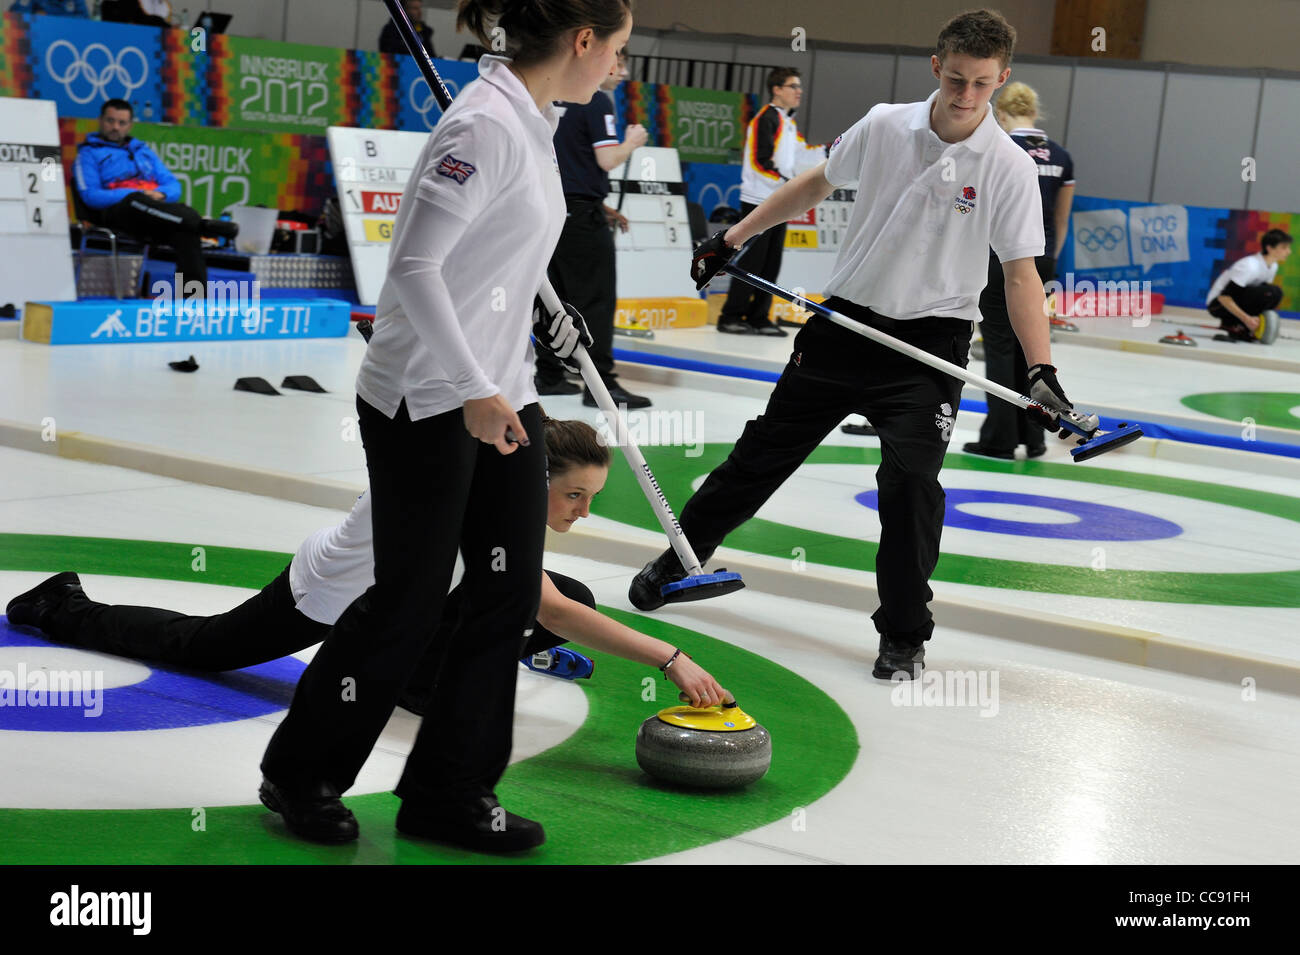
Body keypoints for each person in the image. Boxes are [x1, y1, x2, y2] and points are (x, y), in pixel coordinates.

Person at [254, 0, 634, 851]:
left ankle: (450, 790)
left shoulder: (538, 122)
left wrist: (537, 334)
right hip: (423, 398)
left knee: (503, 598)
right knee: (410, 599)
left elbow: (490, 262)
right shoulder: (484, 126)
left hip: (503, 392)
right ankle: (302, 770)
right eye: (615, 49)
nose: (618, 66)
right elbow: (416, 266)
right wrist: (470, 383)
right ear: (581, 43)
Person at [630, 10, 1076, 682]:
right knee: (761, 454)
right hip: (843, 327)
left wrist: (1041, 368)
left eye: (982, 84)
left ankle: (903, 634)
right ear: (936, 65)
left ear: (1002, 79)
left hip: (929, 348)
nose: (965, 95)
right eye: (956, 78)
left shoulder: (1009, 167)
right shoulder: (884, 124)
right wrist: (733, 237)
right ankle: (679, 560)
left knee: (911, 488)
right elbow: (814, 182)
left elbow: (1020, 273)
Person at [5, 417, 728, 723]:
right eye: (574, 495)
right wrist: (672, 657)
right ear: (536, 478)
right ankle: (59, 605)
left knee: (559, 588)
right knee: (202, 648)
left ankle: (472, 651)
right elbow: (558, 611)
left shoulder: (497, 490)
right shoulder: (473, 497)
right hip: (325, 598)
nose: (583, 511)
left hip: (410, 597)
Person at [963, 81, 1074, 460]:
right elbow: (1061, 217)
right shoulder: (1062, 156)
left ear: (1004, 115)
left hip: (1003, 257)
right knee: (1032, 352)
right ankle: (1036, 436)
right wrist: (1051, 262)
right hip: (1042, 259)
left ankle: (1000, 438)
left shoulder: (1002, 149)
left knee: (998, 345)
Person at [540, 48, 652, 408]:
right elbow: (606, 159)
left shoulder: (555, 98)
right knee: (596, 299)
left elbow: (565, 165)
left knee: (552, 298)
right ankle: (600, 385)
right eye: (617, 62)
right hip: (580, 219)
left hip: (551, 211)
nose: (621, 72)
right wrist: (632, 142)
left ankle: (549, 374)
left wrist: (598, 204)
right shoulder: (597, 101)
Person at [74, 99, 238, 296]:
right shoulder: (88, 154)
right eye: (110, 121)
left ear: (130, 125)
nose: (115, 127)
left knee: (186, 233)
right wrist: (135, 194)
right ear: (100, 120)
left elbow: (174, 186)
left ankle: (193, 302)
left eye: (121, 122)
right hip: (117, 213)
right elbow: (91, 196)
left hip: (151, 213)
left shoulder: (142, 152)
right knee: (136, 202)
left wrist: (161, 194)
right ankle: (201, 224)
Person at [716, 66, 825, 337]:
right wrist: (787, 184)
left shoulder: (788, 123)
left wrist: (829, 150)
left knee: (770, 263)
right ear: (777, 89)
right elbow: (759, 161)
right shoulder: (766, 119)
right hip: (759, 201)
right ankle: (731, 315)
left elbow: (801, 154)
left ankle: (758, 316)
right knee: (751, 261)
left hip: (779, 202)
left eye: (799, 87)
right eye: (793, 86)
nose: (799, 91)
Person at [1205, 229, 1291, 342]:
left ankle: (1243, 326)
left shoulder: (1273, 266)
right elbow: (1224, 297)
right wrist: (1246, 319)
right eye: (1284, 248)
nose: (1289, 252)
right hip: (1217, 305)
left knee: (1274, 293)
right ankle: (1232, 324)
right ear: (1269, 248)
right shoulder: (1249, 265)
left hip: (1237, 299)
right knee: (1270, 292)